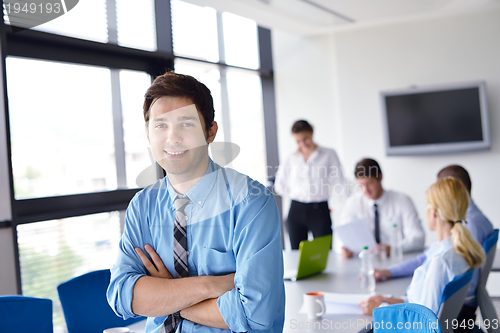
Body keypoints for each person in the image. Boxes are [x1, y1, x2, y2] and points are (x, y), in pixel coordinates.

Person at [107, 72, 285, 333]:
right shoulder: (142, 205)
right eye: (160, 125)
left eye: (186, 124)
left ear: (210, 132)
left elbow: (256, 314)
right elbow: (122, 297)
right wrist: (209, 286)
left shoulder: (250, 202)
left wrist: (167, 295)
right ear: (147, 133)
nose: (172, 138)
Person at [374, 165, 494, 330]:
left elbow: (424, 323)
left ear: (434, 213)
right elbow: (424, 305)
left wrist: (382, 311)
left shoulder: (441, 261)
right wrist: (389, 302)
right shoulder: (457, 249)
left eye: (426, 205)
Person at [274, 120, 349, 249]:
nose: (302, 144)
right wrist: (298, 192)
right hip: (296, 210)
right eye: (298, 141)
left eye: (305, 139)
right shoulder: (290, 157)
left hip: (320, 211)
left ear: (311, 133)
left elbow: (340, 182)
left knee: (324, 253)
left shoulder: (329, 154)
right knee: (296, 254)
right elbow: (279, 185)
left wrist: (349, 207)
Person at [339, 158, 425, 258]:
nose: (366, 190)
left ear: (380, 177)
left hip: (396, 260)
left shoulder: (402, 201)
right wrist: (344, 248)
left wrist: (393, 248)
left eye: (370, 183)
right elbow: (342, 236)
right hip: (365, 262)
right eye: (361, 185)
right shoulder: (352, 203)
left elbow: (418, 238)